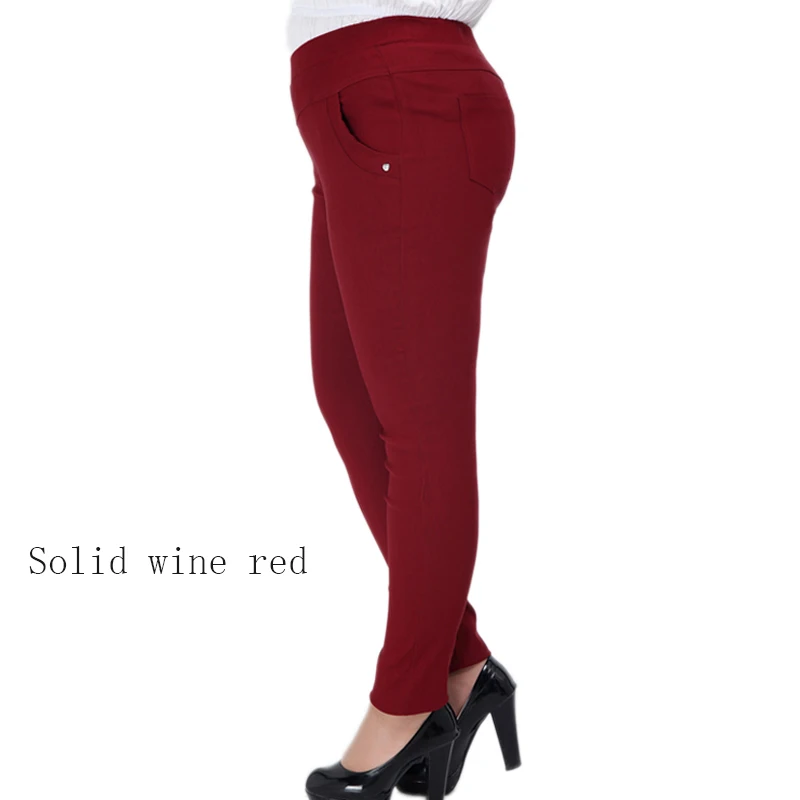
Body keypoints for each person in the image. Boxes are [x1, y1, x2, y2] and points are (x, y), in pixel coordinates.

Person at [287, 3, 521, 799]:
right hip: (353, 107)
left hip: (403, 96)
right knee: (346, 392)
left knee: (422, 426)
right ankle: (462, 665)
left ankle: (407, 701)